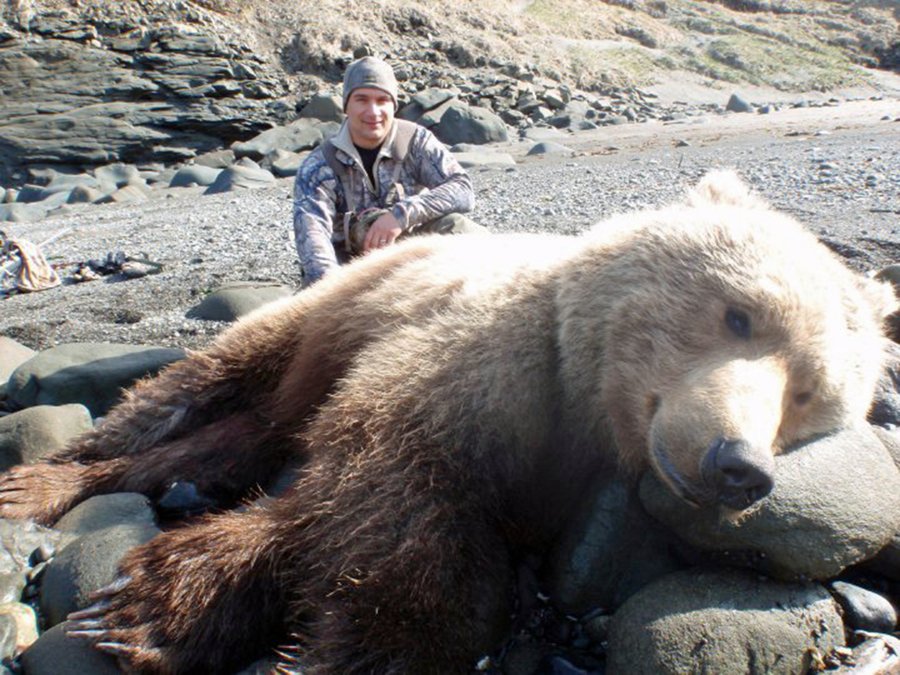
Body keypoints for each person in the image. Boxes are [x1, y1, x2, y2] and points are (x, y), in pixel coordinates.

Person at [293, 56, 485, 285]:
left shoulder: (416, 141)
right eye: (361, 100)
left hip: (412, 253)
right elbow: (315, 245)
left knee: (459, 227)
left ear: (393, 105)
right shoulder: (318, 166)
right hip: (350, 270)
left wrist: (400, 216)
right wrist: (334, 294)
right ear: (346, 105)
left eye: (382, 100)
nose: (373, 112)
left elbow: (463, 190)